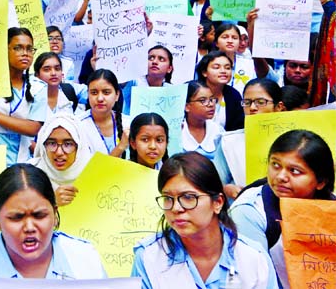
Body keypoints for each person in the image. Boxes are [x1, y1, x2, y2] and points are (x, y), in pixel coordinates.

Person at [132, 152, 276, 289]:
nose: (176, 208)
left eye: (188, 197)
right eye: (168, 198)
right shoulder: (149, 257)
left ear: (217, 202)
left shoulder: (253, 258)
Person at [0, 163, 107, 279]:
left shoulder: (84, 258)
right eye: (17, 217)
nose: (29, 227)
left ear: (54, 213)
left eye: (39, 215)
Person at [230, 130, 335, 288]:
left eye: (294, 171)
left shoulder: (330, 208)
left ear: (320, 182)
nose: (280, 177)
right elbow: (256, 280)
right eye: (276, 165)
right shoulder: (248, 211)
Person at [0, 28, 46, 165]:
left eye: (29, 49)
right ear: (5, 50)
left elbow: (33, 128)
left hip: (19, 157)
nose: (25, 54)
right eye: (18, 48)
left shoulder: (39, 87)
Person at [214, 78, 284, 199]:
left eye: (260, 102)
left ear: (279, 107)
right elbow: (213, 182)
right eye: (247, 102)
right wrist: (226, 189)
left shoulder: (293, 139)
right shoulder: (229, 142)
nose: (252, 107)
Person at [29, 113, 92, 206]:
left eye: (68, 144)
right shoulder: (29, 176)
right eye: (51, 143)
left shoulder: (94, 174)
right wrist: (50, 203)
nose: (59, 152)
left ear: (79, 147)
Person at [77, 69, 129, 157]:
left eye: (106, 92)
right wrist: (121, 147)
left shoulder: (128, 123)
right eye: (94, 93)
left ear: (117, 95)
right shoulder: (77, 124)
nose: (100, 98)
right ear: (87, 94)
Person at [196, 51, 244, 131]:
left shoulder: (233, 95)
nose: (223, 71)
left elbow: (238, 128)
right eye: (216, 67)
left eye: (227, 68)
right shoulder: (190, 90)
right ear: (204, 72)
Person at [121, 45, 174, 116]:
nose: (154, 62)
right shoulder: (133, 82)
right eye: (151, 58)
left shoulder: (172, 91)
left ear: (169, 68)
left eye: (161, 59)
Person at [34, 52, 88, 116]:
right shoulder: (31, 97)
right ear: (37, 75)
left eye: (57, 69)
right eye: (47, 70)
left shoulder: (68, 91)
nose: (53, 73)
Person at [181, 81, 224, 160]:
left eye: (212, 99)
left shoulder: (218, 130)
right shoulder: (177, 131)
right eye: (202, 100)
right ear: (186, 106)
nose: (211, 104)